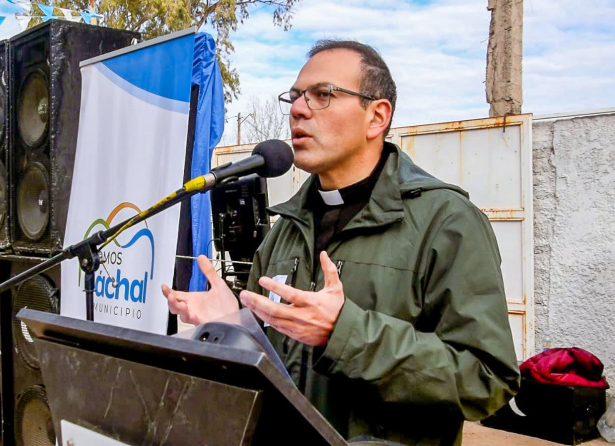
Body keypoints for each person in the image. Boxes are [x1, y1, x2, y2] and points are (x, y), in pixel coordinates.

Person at [162, 39, 520, 445]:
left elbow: (488, 380)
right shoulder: (286, 228)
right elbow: (270, 365)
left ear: (376, 117)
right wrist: (234, 323)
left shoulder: (446, 222)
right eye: (295, 97)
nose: (298, 109)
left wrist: (345, 333)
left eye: (322, 95)